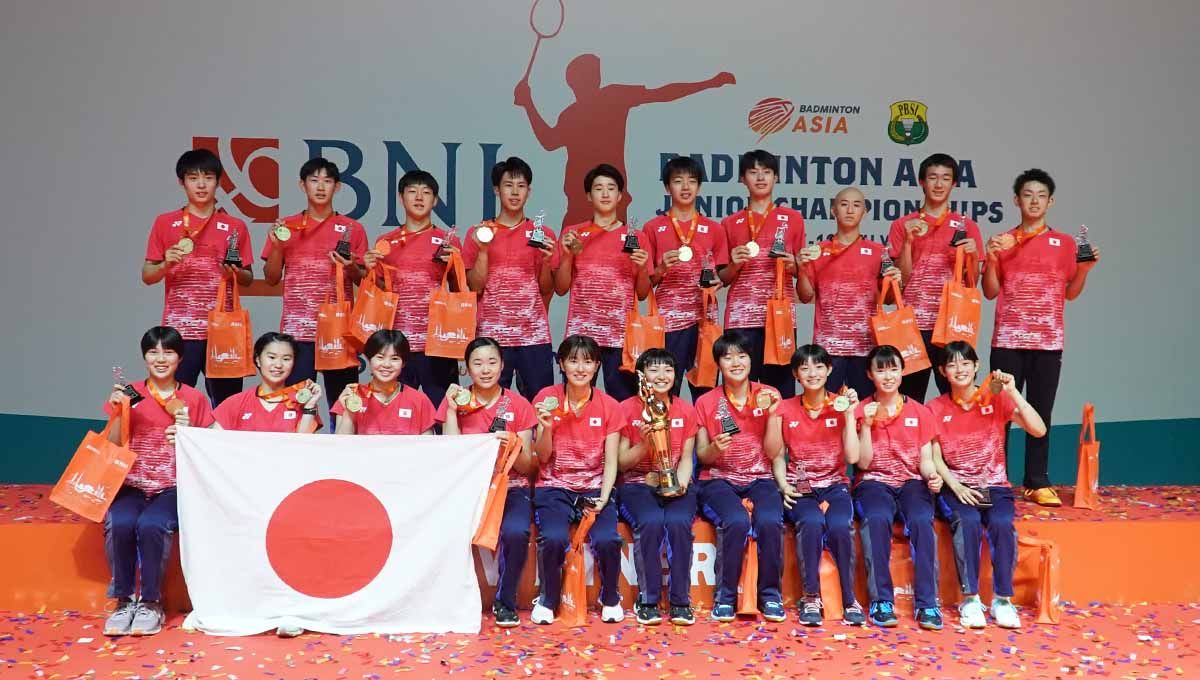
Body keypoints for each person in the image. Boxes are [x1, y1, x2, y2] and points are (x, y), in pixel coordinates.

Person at [982, 168, 1100, 507]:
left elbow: (1071, 293)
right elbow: (990, 292)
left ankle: (1036, 480)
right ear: (1016, 200)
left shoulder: (1064, 243)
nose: (1034, 201)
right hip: (1006, 341)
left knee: (1040, 412)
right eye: (1027, 195)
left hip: (1048, 343)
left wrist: (1085, 271)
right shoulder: (1002, 241)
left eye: (1041, 195)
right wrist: (990, 260)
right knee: (999, 412)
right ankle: (996, 478)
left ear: (1050, 202)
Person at [102, 326, 215, 637]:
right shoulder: (129, 393)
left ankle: (151, 602)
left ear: (180, 358)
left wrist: (189, 431)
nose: (160, 358)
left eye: (169, 352)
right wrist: (117, 412)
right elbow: (110, 443)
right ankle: (124, 601)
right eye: (153, 352)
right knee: (120, 522)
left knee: (152, 525)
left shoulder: (193, 398)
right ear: (144, 357)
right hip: (132, 484)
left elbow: (211, 444)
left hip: (173, 486)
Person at [211, 331, 322, 637]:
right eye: (271, 357)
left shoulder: (300, 401)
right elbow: (209, 445)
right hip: (244, 497)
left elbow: (304, 446)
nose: (278, 365)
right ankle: (235, 607)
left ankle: (292, 610)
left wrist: (310, 407)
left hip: (287, 496)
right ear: (257, 360)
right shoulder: (236, 403)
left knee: (291, 547)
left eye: (286, 359)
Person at [928, 341, 1046, 629]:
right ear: (943, 371)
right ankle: (970, 599)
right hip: (957, 487)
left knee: (1002, 524)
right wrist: (956, 487)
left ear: (977, 366)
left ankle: (1002, 600)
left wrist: (1014, 392)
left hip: (994, 485)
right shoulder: (934, 408)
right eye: (952, 364)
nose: (960, 369)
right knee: (967, 521)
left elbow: (1038, 429)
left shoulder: (995, 399)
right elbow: (935, 458)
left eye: (965, 363)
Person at [436, 337, 538, 627]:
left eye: (492, 362)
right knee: (447, 528)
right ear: (466, 368)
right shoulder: (457, 401)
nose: (485, 369)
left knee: (517, 532)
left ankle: (505, 602)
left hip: (511, 487)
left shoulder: (518, 405)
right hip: (467, 487)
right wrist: (453, 410)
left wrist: (515, 444)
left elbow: (529, 465)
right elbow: (449, 453)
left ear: (503, 365)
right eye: (477, 363)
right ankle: (450, 599)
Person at [142, 149, 253, 406]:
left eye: (209, 177)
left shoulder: (235, 227)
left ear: (218, 181)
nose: (201, 184)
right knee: (174, 403)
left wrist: (233, 271)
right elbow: (147, 275)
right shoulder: (165, 222)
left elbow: (248, 278)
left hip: (223, 331)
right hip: (180, 331)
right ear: (182, 182)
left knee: (227, 406)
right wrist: (166, 264)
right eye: (193, 178)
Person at [529, 335, 625, 624]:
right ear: (561, 363)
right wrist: (545, 429)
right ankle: (548, 599)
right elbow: (541, 458)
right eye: (573, 360)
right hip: (554, 486)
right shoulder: (546, 399)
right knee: (555, 538)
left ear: (597, 366)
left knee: (608, 539)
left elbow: (611, 461)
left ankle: (610, 597)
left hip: (595, 487)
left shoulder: (610, 406)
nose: (580, 368)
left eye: (587, 361)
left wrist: (604, 498)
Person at [767, 344, 866, 626]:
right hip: (801, 487)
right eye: (805, 367)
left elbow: (853, 457)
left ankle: (850, 599)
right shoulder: (784, 408)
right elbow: (775, 453)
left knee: (839, 526)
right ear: (796, 374)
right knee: (810, 522)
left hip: (835, 486)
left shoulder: (841, 404)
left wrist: (849, 417)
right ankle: (810, 597)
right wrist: (784, 485)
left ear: (830, 369)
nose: (812, 372)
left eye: (819, 366)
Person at [693, 330, 786, 622]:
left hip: (761, 478)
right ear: (718, 364)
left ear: (751, 359)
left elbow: (774, 453)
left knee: (770, 520)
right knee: (735, 521)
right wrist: (714, 447)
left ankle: (770, 596)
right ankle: (726, 597)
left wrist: (772, 416)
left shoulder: (769, 395)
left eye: (742, 355)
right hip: (718, 480)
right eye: (727, 356)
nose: (736, 362)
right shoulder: (707, 402)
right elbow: (703, 456)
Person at [262, 157, 367, 412]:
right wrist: (277, 246)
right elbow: (271, 276)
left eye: (327, 181)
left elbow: (363, 279)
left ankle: (342, 451)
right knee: (295, 406)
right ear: (302, 185)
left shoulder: (352, 229)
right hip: (297, 332)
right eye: (314, 180)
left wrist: (350, 265)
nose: (321, 187)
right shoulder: (286, 227)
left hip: (339, 332)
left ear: (338, 187)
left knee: (342, 407)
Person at [853, 345, 944, 630]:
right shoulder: (860, 410)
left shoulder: (921, 411)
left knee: (920, 519)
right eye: (881, 370)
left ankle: (928, 603)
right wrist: (866, 425)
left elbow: (926, 460)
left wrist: (933, 477)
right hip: (873, 483)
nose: (888, 376)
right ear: (870, 374)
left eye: (893, 369)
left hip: (911, 483)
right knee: (877, 518)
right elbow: (863, 463)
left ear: (902, 371)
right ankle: (881, 601)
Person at [886, 153, 983, 401]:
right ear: (921, 182)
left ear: (954, 184)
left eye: (945, 178)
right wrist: (908, 242)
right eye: (933, 178)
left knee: (958, 399)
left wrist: (972, 257)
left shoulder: (967, 226)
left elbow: (973, 282)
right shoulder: (902, 224)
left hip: (951, 326)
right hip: (911, 326)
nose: (939, 184)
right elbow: (901, 280)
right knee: (907, 401)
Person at [363, 170, 462, 409]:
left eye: (426, 192)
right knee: (393, 413)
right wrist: (367, 270)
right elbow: (376, 293)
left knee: (443, 414)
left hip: (437, 343)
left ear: (435, 200)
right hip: (397, 345)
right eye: (412, 192)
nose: (419, 197)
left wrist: (456, 262)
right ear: (400, 197)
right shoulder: (385, 242)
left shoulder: (448, 242)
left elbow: (460, 291)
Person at [462, 157, 559, 400]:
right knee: (488, 404)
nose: (514, 192)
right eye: (508, 185)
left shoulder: (543, 234)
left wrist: (547, 261)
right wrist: (483, 251)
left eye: (521, 186)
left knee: (540, 406)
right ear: (496, 189)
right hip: (492, 337)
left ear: (529, 191)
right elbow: (474, 287)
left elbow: (547, 289)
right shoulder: (479, 233)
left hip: (533, 336)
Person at [615, 348, 700, 625]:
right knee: (651, 521)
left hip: (675, 483)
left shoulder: (686, 410)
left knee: (677, 523)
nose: (661, 376)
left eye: (668, 369)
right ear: (641, 376)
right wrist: (643, 443)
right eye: (653, 369)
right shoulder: (626, 410)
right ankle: (648, 599)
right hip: (637, 485)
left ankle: (680, 601)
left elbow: (687, 457)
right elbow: (621, 464)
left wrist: (681, 483)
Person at [554, 165, 651, 402]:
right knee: (576, 402)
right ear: (589, 195)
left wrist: (641, 267)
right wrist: (567, 254)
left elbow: (642, 293)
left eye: (611, 188)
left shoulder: (636, 237)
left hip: (621, 337)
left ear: (620, 196)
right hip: (582, 335)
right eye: (598, 188)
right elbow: (561, 288)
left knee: (624, 402)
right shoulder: (573, 234)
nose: (605, 194)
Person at [796, 187, 899, 400]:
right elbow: (806, 296)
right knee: (826, 410)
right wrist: (802, 269)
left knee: (863, 410)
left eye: (856, 205)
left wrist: (894, 281)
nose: (850, 210)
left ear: (865, 211)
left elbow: (888, 299)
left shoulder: (879, 252)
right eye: (844, 204)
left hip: (866, 347)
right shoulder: (818, 251)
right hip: (827, 348)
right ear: (833, 210)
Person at [719, 150, 806, 399]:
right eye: (753, 172)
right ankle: (739, 439)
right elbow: (722, 278)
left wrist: (793, 265)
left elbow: (803, 270)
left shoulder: (793, 219)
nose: (760, 177)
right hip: (740, 318)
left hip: (780, 317)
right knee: (738, 387)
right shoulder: (730, 223)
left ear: (776, 177)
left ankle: (777, 438)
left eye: (766, 172)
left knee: (780, 390)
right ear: (742, 179)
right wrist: (734, 265)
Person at [641, 156, 729, 399]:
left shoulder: (714, 228)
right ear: (667, 187)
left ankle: (706, 438)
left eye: (692, 181)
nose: (686, 187)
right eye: (678, 181)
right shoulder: (652, 227)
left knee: (707, 390)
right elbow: (644, 285)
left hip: (705, 320)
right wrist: (660, 269)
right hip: (670, 322)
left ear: (699, 186)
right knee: (667, 387)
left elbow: (722, 273)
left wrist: (719, 280)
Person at [331, 330, 436, 435]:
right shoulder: (351, 396)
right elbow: (342, 446)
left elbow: (427, 448)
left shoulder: (419, 401)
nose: (386, 364)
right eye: (380, 357)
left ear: (403, 363)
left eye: (394, 359)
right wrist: (349, 413)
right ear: (369, 359)